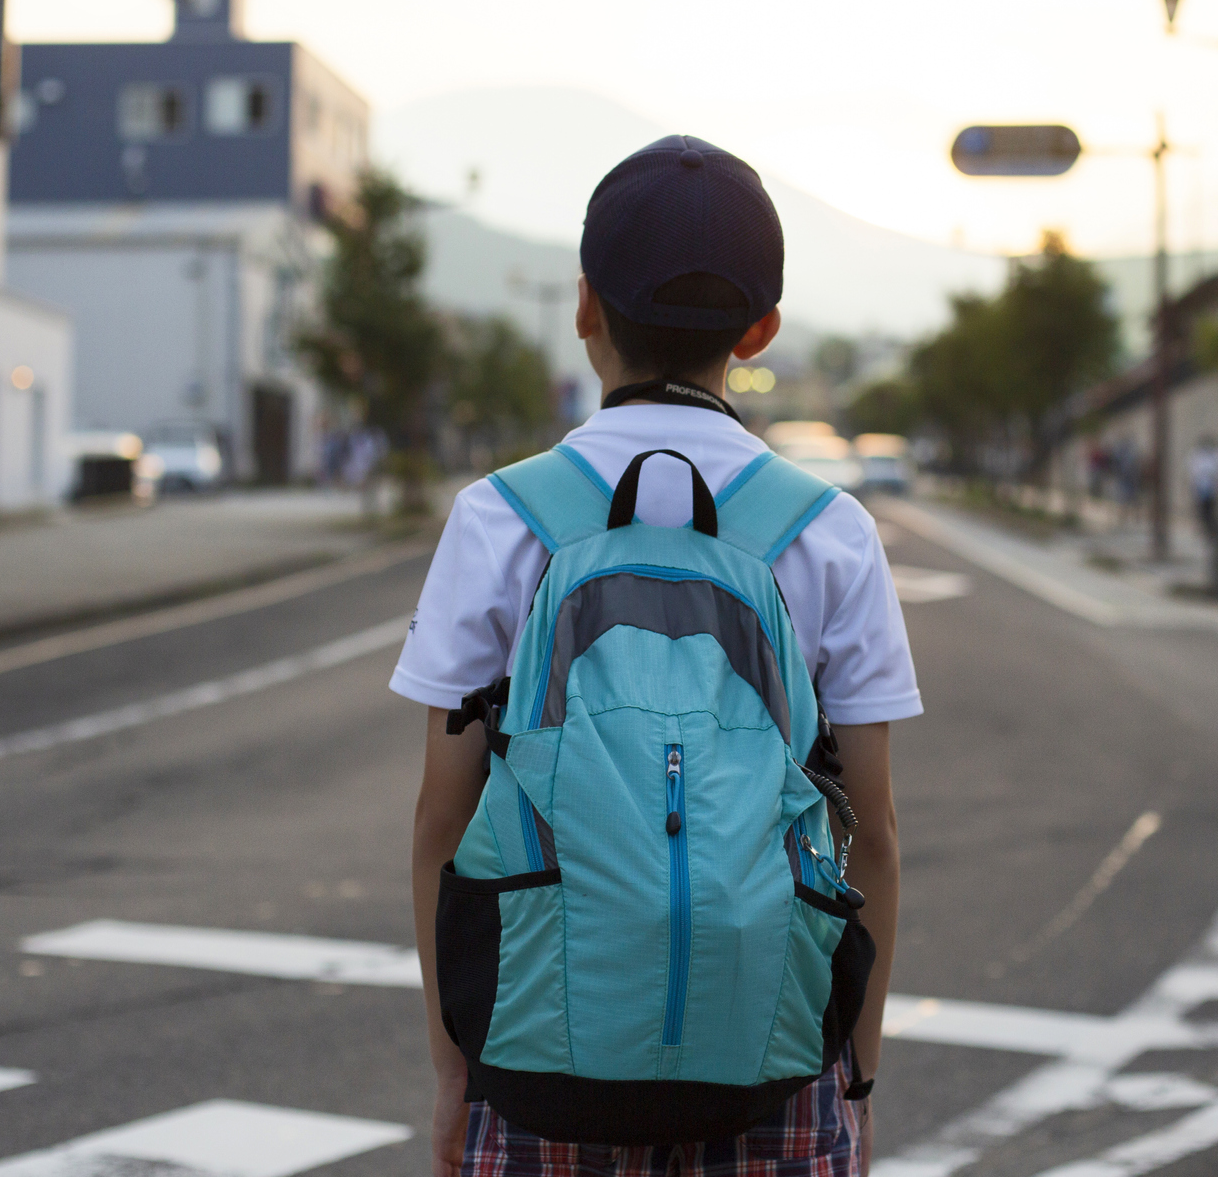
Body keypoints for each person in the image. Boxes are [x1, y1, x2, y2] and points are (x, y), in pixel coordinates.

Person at [394, 135, 921, 1177]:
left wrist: (456, 1069)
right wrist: (852, 1077)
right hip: (774, 1068)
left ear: (586, 303)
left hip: (540, 1065)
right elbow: (877, 836)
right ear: (760, 328)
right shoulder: (828, 530)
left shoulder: (498, 519)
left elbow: (443, 825)